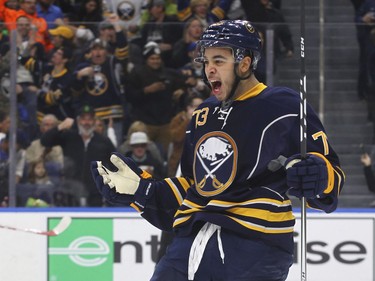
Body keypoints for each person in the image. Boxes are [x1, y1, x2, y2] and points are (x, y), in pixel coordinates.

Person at [91, 20, 345, 280]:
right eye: (206, 61)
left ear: (244, 64)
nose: (209, 70)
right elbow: (194, 188)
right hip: (189, 244)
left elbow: (331, 178)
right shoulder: (203, 114)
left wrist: (318, 175)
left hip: (254, 243)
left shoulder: (284, 105)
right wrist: (142, 191)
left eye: (219, 61)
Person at [41, 104, 116, 206]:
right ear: (78, 121)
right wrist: (60, 126)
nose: (86, 123)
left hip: (95, 194)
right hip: (70, 193)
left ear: (94, 121)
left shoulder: (103, 141)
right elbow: (45, 141)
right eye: (83, 119)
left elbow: (116, 166)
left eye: (89, 119)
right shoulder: (69, 137)